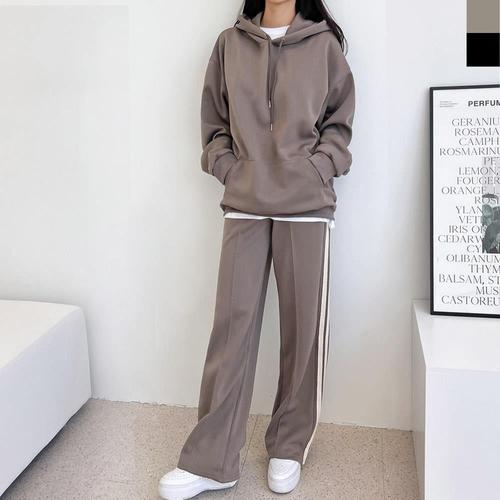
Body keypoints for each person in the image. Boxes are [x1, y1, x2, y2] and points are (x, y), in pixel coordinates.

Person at [159, 0, 355, 498]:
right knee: (232, 327)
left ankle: (288, 443)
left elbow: (339, 124)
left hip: (307, 206)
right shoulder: (230, 44)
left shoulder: (324, 45)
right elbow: (214, 123)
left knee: (302, 329)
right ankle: (213, 459)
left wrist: (319, 168)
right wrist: (227, 167)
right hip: (245, 202)